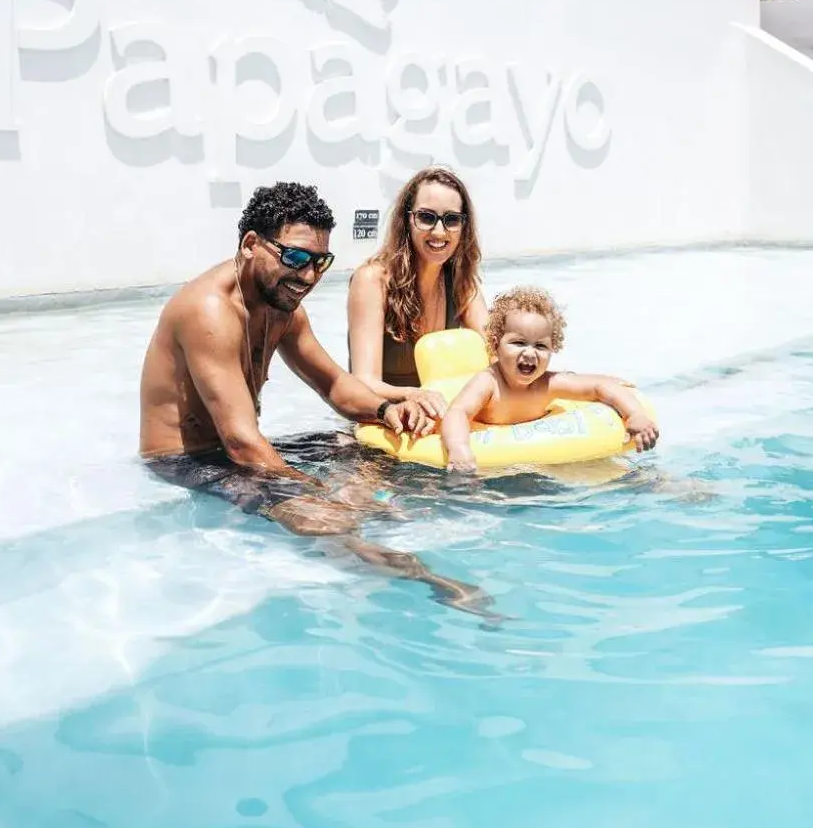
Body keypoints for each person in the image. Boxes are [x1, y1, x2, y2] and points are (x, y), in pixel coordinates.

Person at [140, 181, 492, 615]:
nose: (308, 276)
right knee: (321, 518)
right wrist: (317, 492)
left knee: (360, 444)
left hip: (233, 447)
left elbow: (335, 386)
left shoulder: (282, 306)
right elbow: (241, 443)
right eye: (294, 257)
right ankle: (427, 582)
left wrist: (387, 409)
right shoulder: (210, 310)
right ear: (251, 244)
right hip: (186, 458)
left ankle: (384, 509)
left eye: (319, 262)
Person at [440, 285, 660, 474]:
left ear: (553, 349)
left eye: (540, 346)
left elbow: (600, 386)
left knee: (626, 475)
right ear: (496, 344)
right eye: (518, 343)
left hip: (542, 464)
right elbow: (458, 411)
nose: (529, 353)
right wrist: (459, 447)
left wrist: (635, 415)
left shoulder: (547, 384)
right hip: (491, 466)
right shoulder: (488, 383)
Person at [347, 167, 488, 430]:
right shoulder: (372, 281)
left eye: (452, 220)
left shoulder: (461, 282)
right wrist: (412, 394)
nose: (438, 231)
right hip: (382, 426)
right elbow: (362, 382)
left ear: (463, 226)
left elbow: (496, 351)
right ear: (406, 220)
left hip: (433, 424)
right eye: (426, 217)